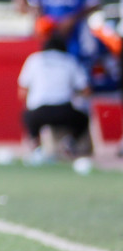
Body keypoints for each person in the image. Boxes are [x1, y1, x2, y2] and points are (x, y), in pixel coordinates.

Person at [17, 30, 92, 168]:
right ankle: (69, 143)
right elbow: (86, 90)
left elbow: (22, 92)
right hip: (65, 112)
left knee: (26, 116)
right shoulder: (69, 60)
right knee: (83, 118)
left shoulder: (34, 59)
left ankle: (36, 145)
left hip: (37, 114)